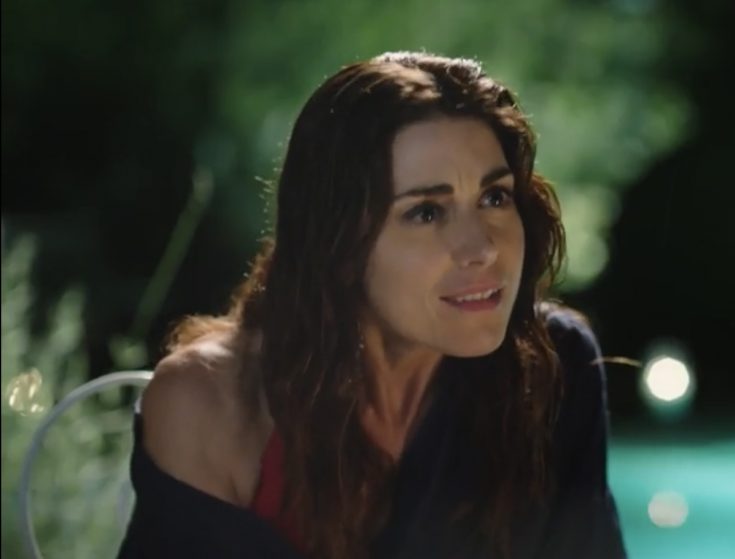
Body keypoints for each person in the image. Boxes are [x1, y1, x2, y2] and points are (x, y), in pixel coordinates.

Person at [117, 51, 627, 559]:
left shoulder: (554, 367)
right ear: (339, 244)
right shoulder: (213, 404)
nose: (482, 248)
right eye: (426, 212)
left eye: (495, 197)